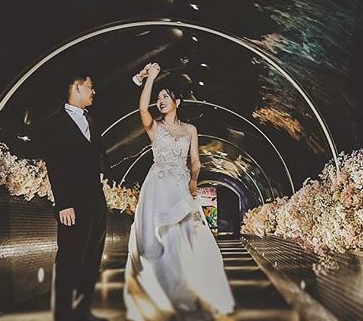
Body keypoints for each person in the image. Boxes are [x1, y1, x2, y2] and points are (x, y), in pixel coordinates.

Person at [123, 63, 235, 320]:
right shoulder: (155, 128)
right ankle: (163, 293)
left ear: (178, 101)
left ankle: (187, 287)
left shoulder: (190, 130)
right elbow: (142, 108)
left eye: (165, 96)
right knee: (160, 238)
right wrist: (150, 78)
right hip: (158, 186)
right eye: (159, 97)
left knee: (185, 235)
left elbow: (195, 161)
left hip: (182, 186)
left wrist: (195, 180)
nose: (160, 101)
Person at [41, 75, 108, 321]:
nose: (94, 92)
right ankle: (63, 315)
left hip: (96, 201)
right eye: (91, 87)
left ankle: (82, 310)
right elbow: (55, 165)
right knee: (69, 258)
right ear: (78, 87)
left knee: (92, 258)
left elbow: (97, 153)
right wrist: (63, 203)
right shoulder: (55, 123)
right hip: (73, 203)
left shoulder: (91, 120)